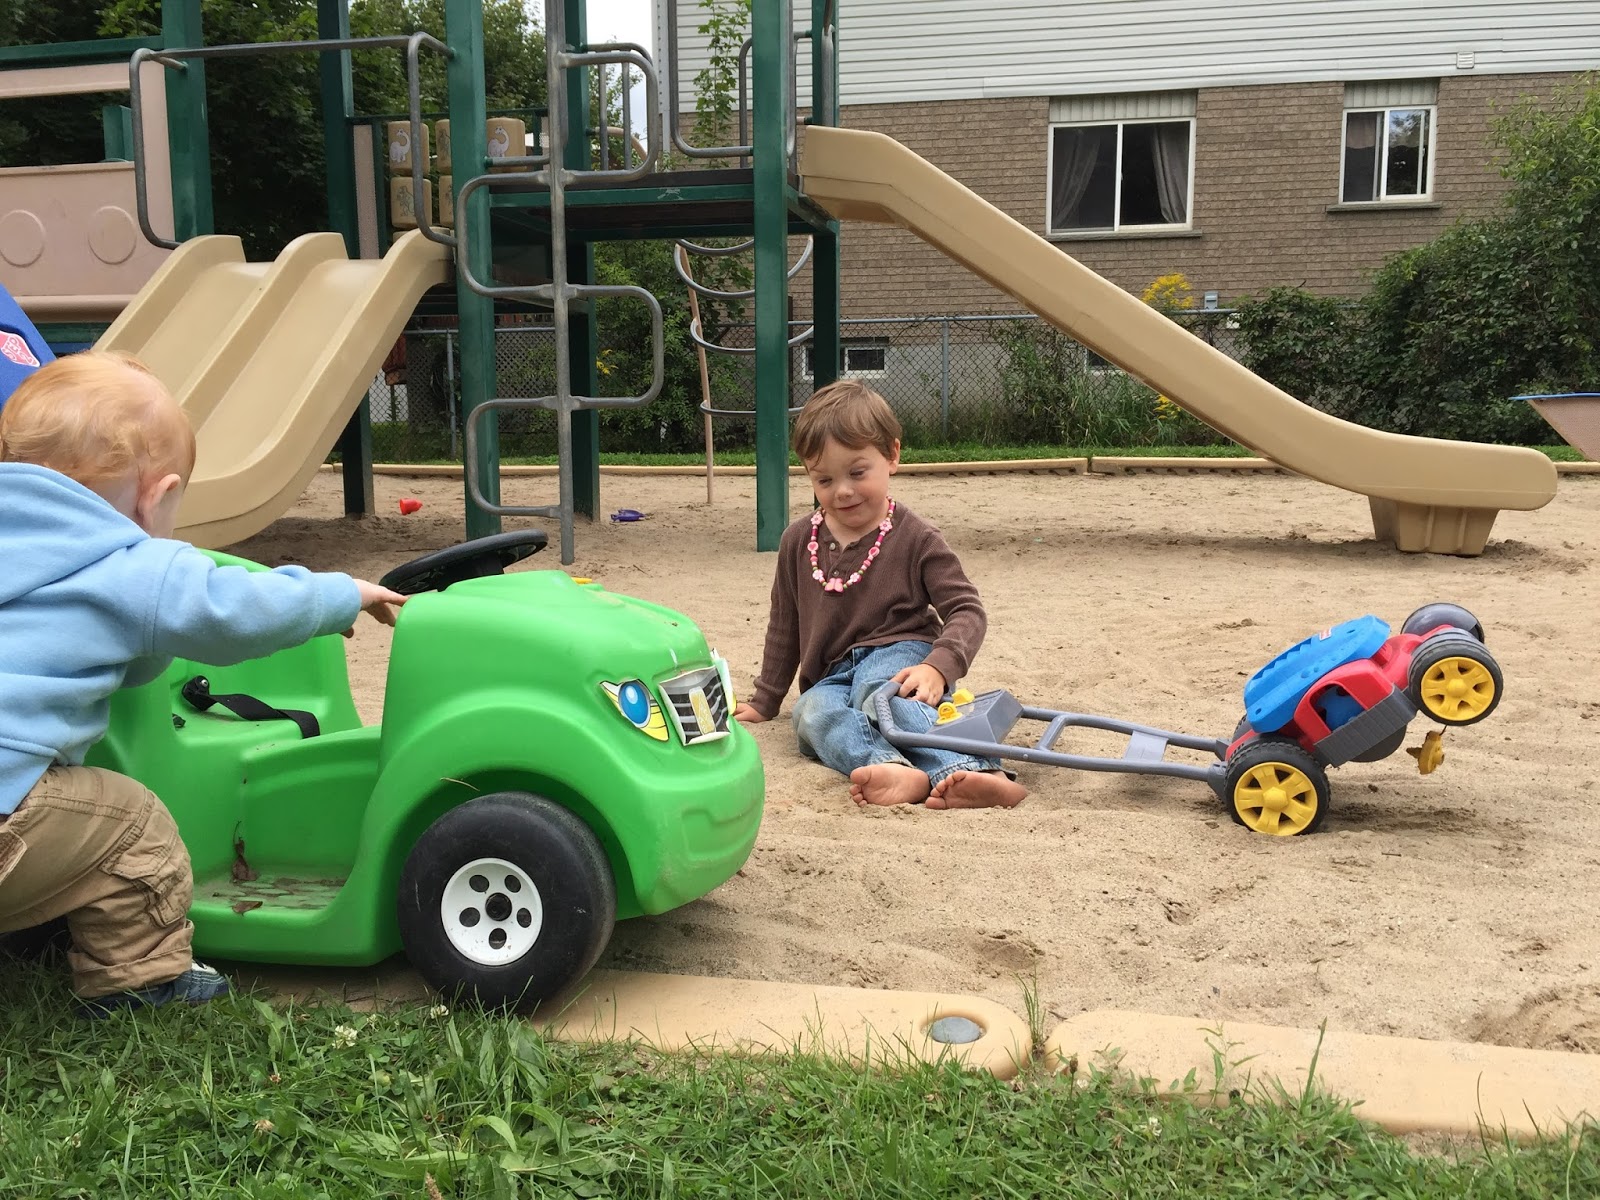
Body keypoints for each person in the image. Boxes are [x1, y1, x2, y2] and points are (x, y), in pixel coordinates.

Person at [0, 351, 408, 1015]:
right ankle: (141, 978)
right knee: (131, 825)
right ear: (157, 498)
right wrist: (341, 595)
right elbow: (232, 611)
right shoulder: (124, 562)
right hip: (6, 820)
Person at [732, 380, 1028, 810]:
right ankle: (891, 767)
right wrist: (766, 699)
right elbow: (784, 625)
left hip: (901, 652)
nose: (842, 490)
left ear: (892, 455)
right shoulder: (797, 541)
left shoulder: (917, 537)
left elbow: (967, 610)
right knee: (811, 713)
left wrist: (937, 667)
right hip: (831, 673)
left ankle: (978, 771)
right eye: (824, 479)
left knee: (880, 692)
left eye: (857, 473)